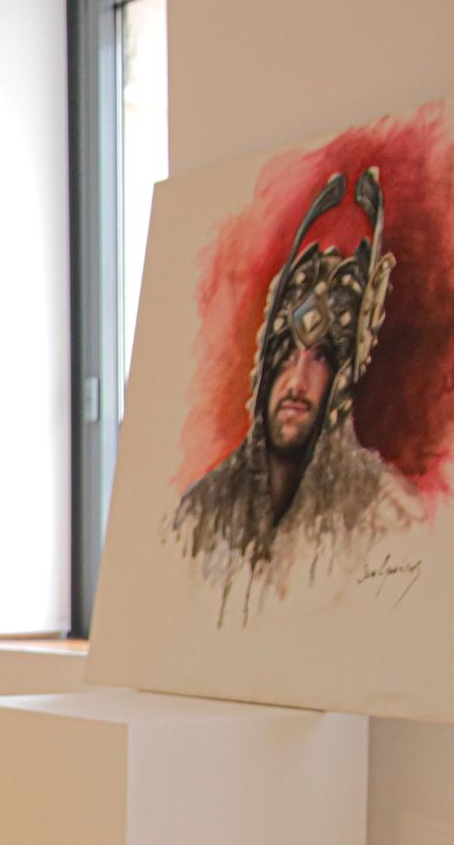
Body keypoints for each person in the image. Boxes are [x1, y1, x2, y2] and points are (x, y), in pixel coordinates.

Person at [173, 169, 422, 610]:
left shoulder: (387, 514)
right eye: (287, 353)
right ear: (265, 366)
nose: (296, 381)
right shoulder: (199, 514)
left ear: (343, 378)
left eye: (321, 357)